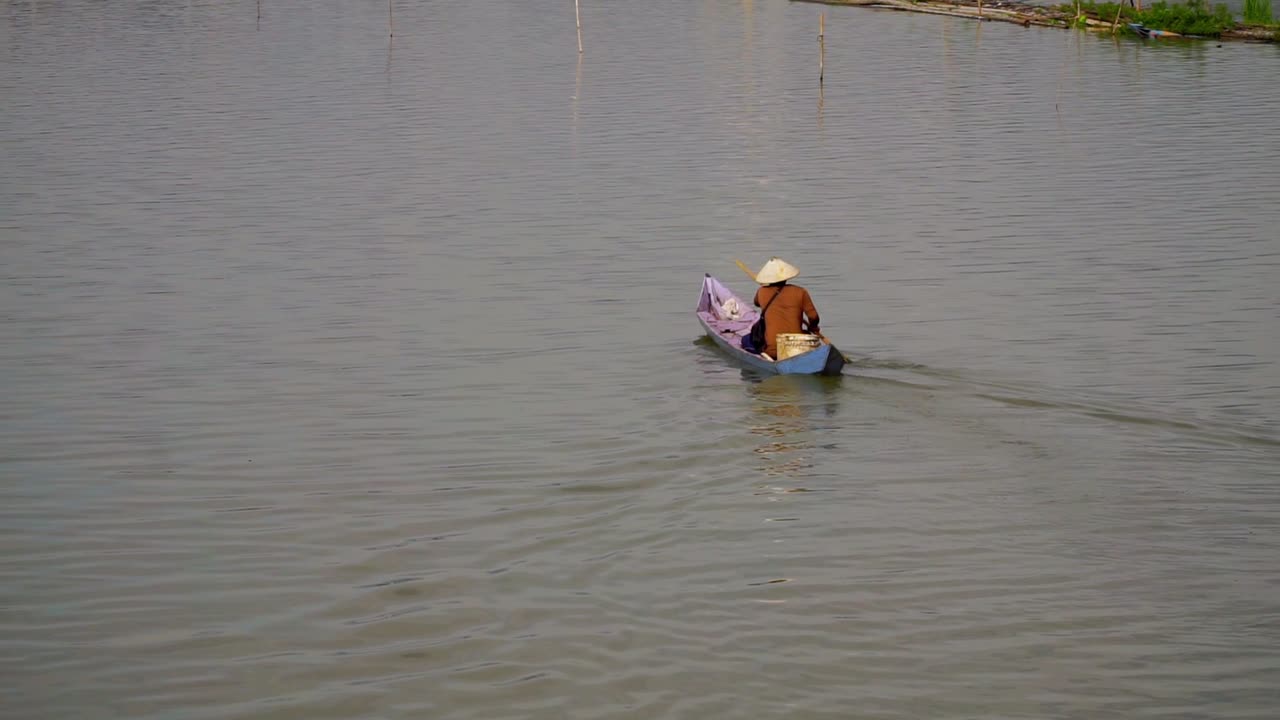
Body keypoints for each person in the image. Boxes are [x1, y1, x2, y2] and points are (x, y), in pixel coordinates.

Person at [752, 257, 820, 359]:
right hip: (799, 348)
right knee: (806, 334)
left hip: (774, 351)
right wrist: (813, 327)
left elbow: (756, 303)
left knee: (746, 339)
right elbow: (813, 317)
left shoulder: (761, 291)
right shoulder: (801, 292)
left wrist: (764, 287)